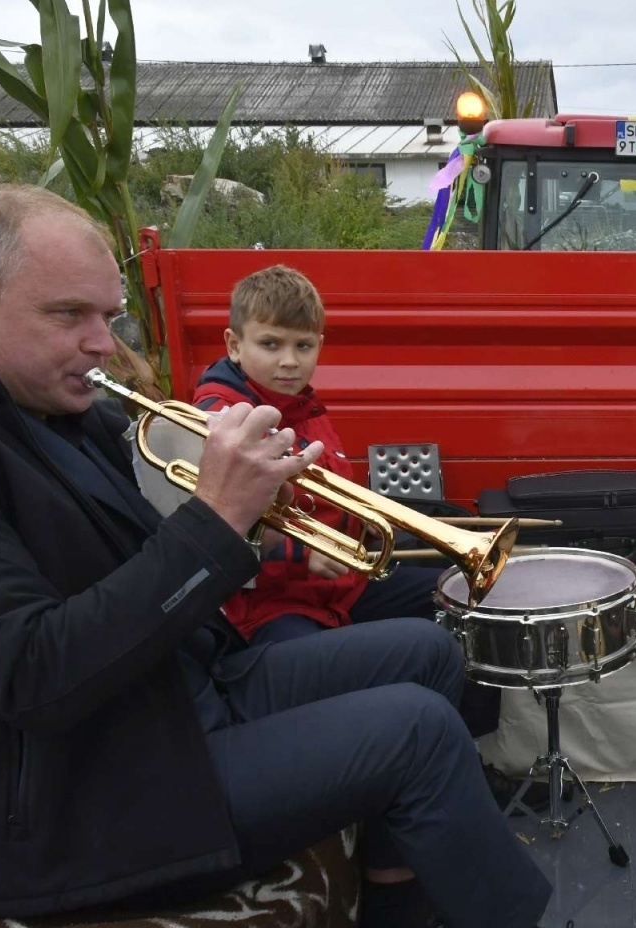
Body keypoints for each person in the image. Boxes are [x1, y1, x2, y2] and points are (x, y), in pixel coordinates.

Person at [0, 185, 636, 928]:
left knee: (426, 651)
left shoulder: (47, 410)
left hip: (171, 704)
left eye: (108, 316)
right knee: (413, 729)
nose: (101, 344)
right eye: (69, 314)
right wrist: (217, 520)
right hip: (59, 809)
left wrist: (246, 525)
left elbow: (136, 586)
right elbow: (32, 674)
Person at [189, 265, 503, 737]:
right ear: (234, 345)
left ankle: (470, 751)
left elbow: (329, 501)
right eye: (270, 344)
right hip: (273, 609)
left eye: (303, 346)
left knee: (473, 602)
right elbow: (208, 530)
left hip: (341, 589)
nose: (289, 361)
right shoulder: (219, 422)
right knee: (327, 711)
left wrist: (371, 527)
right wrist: (301, 554)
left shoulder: (305, 408)